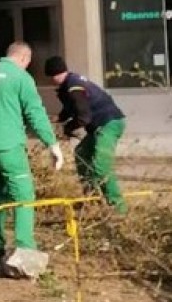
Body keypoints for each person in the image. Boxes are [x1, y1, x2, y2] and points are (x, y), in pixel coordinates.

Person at [0, 41, 63, 279]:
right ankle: (24, 248)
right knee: (24, 196)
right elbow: (35, 112)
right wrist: (52, 144)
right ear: (24, 59)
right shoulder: (20, 77)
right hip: (8, 146)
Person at [44, 56, 128, 213]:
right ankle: (91, 200)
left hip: (109, 123)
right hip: (99, 127)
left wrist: (68, 127)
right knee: (81, 153)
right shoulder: (69, 84)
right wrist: (59, 118)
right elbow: (73, 107)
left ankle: (119, 209)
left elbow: (84, 117)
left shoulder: (74, 86)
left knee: (101, 167)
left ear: (54, 75)